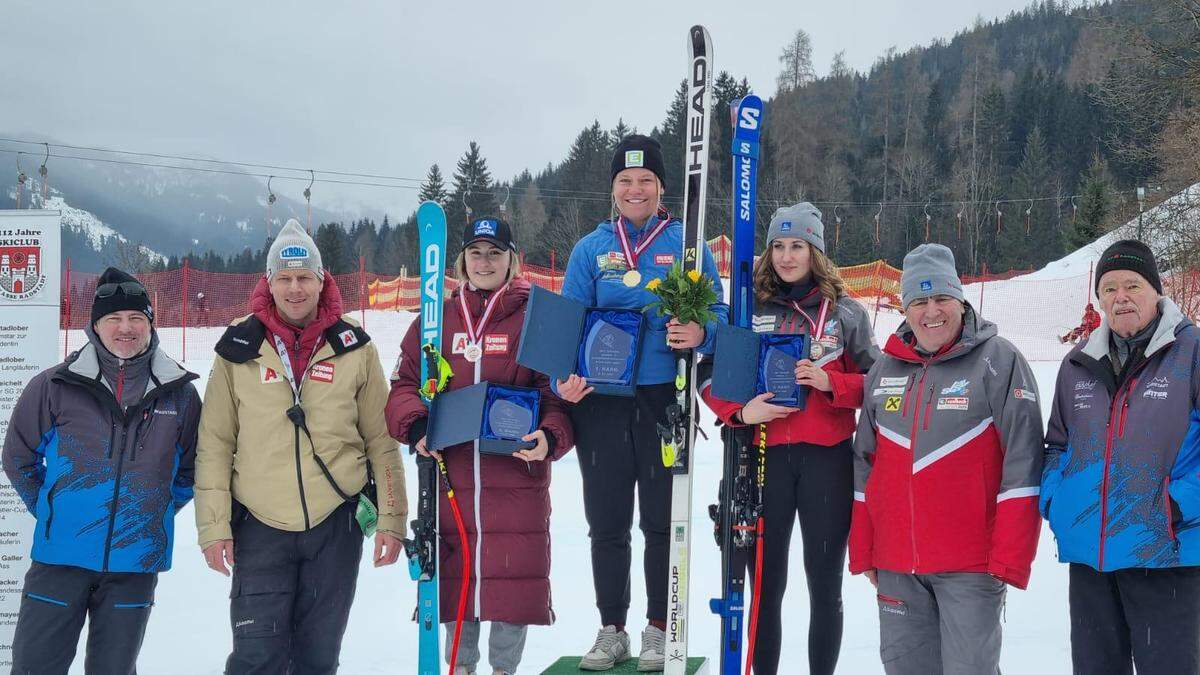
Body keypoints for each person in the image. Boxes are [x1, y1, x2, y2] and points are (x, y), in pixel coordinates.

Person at [194, 219, 407, 674]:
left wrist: (391, 517)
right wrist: (214, 527)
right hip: (259, 525)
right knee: (256, 657)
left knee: (317, 657)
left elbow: (381, 442)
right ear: (269, 283)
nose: (295, 288)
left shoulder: (355, 346)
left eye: (304, 277)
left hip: (335, 525)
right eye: (285, 278)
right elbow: (214, 444)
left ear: (322, 279)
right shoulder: (237, 347)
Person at [555, 134, 728, 671]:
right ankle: (612, 629)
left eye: (645, 180)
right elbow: (565, 329)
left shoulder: (686, 245)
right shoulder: (591, 250)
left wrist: (701, 332)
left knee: (660, 520)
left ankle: (659, 627)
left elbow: (719, 317)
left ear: (660, 186)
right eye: (625, 181)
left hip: (663, 400)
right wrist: (564, 379)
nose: (635, 189)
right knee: (606, 522)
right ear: (613, 188)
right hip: (601, 405)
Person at [387, 216, 575, 675]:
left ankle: (504, 669)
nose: (485, 262)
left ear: (513, 259)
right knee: (456, 579)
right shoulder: (437, 318)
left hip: (515, 478)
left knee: (513, 576)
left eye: (495, 252)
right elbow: (403, 385)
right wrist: (416, 428)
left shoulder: (536, 315)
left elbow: (554, 396)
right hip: (451, 478)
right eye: (476, 252)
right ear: (462, 260)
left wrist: (548, 437)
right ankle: (462, 666)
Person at [698, 202, 880, 675]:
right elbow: (709, 373)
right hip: (765, 460)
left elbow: (882, 386)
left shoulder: (846, 314)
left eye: (797, 245)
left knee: (824, 584)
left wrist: (832, 384)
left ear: (815, 250)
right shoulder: (749, 307)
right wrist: (740, 411)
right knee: (766, 583)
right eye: (778, 246)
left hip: (827, 463)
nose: (786, 256)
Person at [849, 243, 1044, 675]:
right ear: (905, 308)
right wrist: (865, 550)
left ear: (960, 299)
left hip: (971, 566)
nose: (931, 311)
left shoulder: (999, 360)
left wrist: (1008, 558)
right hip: (897, 564)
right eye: (919, 301)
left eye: (941, 298)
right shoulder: (885, 370)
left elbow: (1024, 461)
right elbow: (864, 464)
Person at [2, 267, 201, 674]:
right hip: (59, 563)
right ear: (95, 325)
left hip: (135, 566)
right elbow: (18, 458)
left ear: (150, 324)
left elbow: (192, 470)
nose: (125, 328)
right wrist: (54, 511)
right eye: (114, 319)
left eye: (136, 319)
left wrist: (151, 511)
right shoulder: (55, 385)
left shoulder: (180, 395)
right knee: (34, 667)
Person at [1040, 239, 1200, 675]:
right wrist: (1059, 502)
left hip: (1164, 551)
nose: (1121, 297)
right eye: (1109, 288)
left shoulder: (1192, 353)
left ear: (1156, 291)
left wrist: (1176, 506)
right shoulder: (1078, 363)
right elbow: (1056, 445)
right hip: (1091, 557)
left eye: (1133, 285)